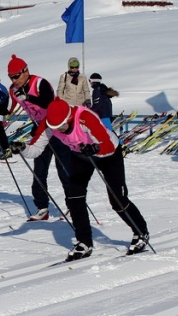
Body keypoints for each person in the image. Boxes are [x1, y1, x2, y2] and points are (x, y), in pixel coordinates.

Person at [12, 98, 150, 261]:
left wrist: (94, 148)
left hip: (109, 154)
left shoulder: (85, 117)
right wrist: (22, 148)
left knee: (117, 199)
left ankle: (140, 232)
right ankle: (84, 242)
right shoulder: (49, 123)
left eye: (61, 126)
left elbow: (107, 145)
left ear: (69, 118)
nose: (59, 131)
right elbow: (35, 149)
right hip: (80, 155)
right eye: (54, 127)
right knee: (74, 197)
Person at [7, 55, 71, 221]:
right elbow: (9, 108)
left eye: (16, 76)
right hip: (39, 130)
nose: (14, 80)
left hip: (55, 128)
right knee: (39, 171)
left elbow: (48, 103)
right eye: (11, 77)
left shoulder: (40, 83)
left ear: (25, 71)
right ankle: (42, 207)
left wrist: (28, 97)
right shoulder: (13, 90)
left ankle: (73, 205)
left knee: (63, 170)